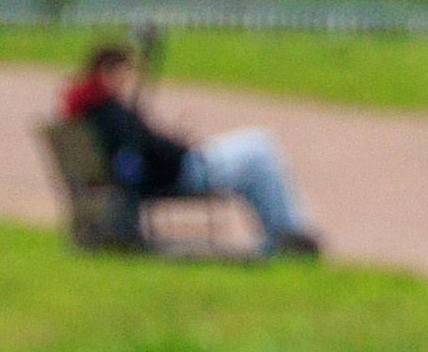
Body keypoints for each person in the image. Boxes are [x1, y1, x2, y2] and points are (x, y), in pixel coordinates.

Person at [59, 45, 322, 256]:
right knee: (261, 149)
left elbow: (140, 148)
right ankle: (288, 232)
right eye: (125, 72)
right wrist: (177, 145)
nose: (128, 79)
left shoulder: (94, 111)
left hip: (174, 169)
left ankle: (281, 235)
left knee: (257, 154)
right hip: (181, 172)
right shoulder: (110, 112)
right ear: (109, 71)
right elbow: (143, 151)